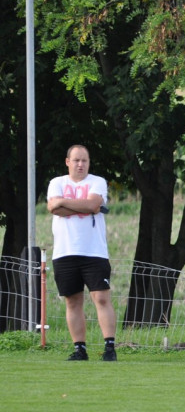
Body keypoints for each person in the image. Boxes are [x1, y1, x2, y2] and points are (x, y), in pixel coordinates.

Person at [47, 144, 118, 362]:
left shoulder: (97, 182)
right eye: (76, 160)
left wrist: (65, 204)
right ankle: (80, 349)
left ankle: (109, 348)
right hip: (64, 252)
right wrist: (85, 206)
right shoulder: (56, 182)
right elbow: (53, 207)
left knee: (101, 298)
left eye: (84, 160)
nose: (80, 164)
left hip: (94, 252)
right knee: (72, 301)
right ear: (67, 162)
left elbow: (94, 204)